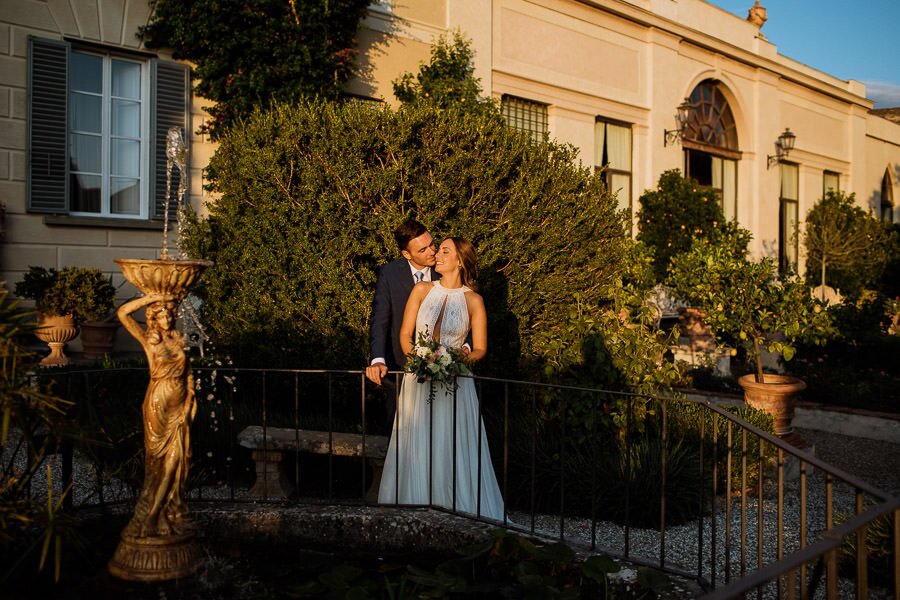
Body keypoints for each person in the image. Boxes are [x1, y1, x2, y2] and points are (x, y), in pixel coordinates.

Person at [377, 238, 505, 521]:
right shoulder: (421, 290)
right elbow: (404, 335)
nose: (437, 254)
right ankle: (414, 504)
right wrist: (419, 362)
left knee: (451, 439)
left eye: (445, 251)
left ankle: (455, 506)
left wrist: (455, 362)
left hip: (456, 381)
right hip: (419, 379)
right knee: (417, 437)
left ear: (460, 261)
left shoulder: (474, 300)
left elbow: (481, 348)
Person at [117, 293, 197, 538]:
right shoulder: (149, 338)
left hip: (179, 405)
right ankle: (152, 516)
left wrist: (189, 404)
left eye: (170, 313)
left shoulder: (177, 338)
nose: (168, 317)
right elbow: (123, 314)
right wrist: (150, 297)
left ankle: (165, 511)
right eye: (162, 313)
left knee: (177, 461)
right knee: (157, 464)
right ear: (153, 315)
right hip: (158, 404)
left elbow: (189, 375)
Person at [366, 219, 438, 433]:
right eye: (423, 249)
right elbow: (380, 318)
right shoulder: (389, 273)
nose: (432, 251)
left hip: (440, 368)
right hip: (399, 367)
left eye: (432, 244)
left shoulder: (445, 270)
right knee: (398, 433)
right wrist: (378, 359)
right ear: (407, 254)